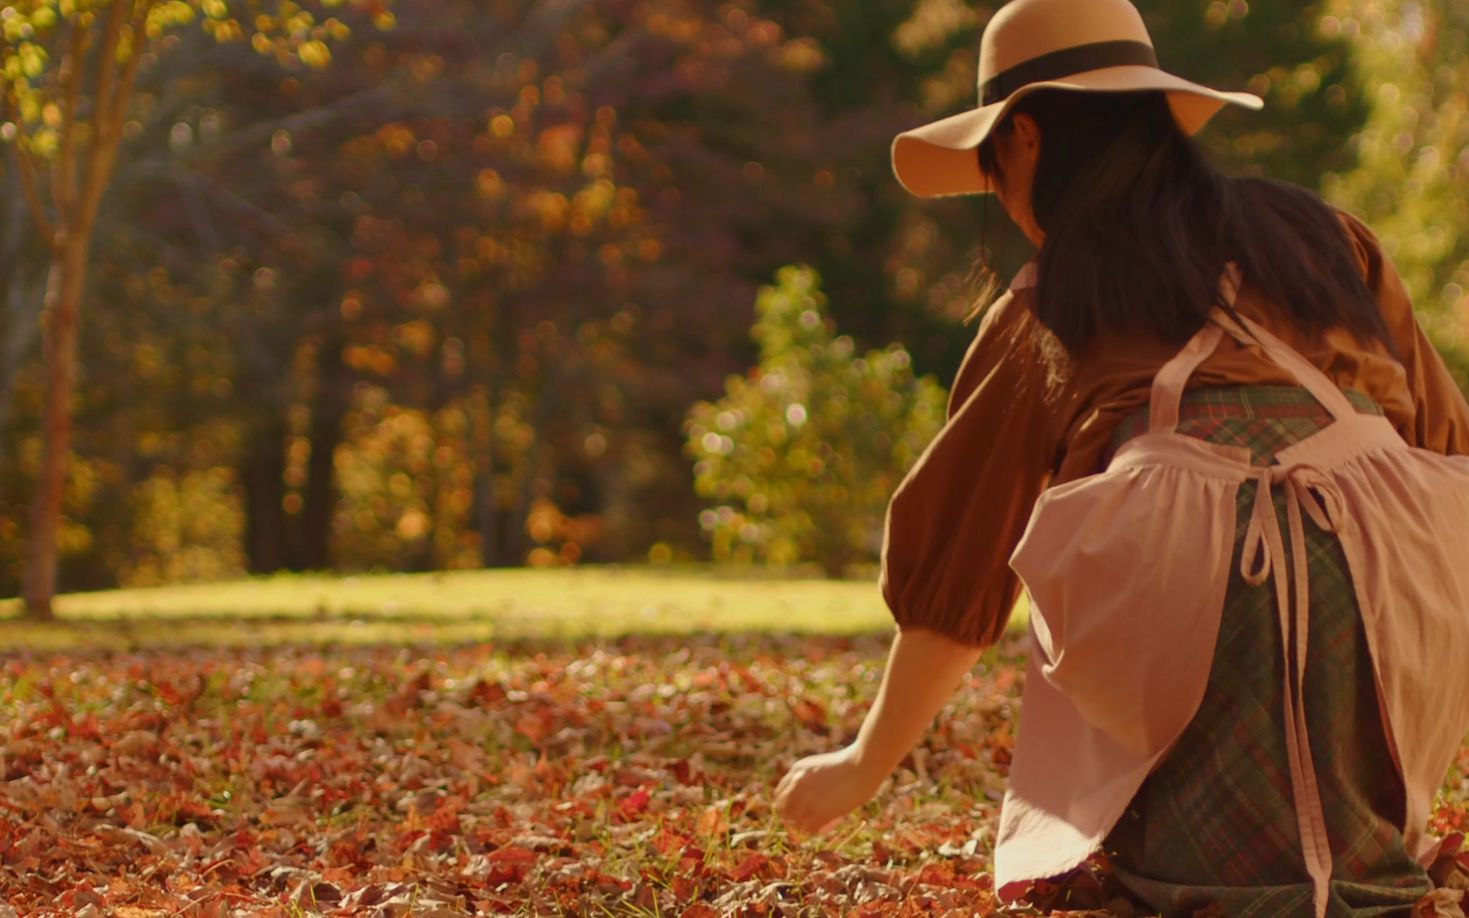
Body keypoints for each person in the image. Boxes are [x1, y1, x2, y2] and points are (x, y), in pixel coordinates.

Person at [770, 0, 1469, 916]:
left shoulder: (1048, 303)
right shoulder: (1328, 242)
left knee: (1113, 538)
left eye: (991, 168)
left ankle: (1191, 862)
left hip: (1187, 597)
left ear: (1021, 140)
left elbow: (961, 570)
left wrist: (860, 767)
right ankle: (1363, 859)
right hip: (1394, 593)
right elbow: (1445, 449)